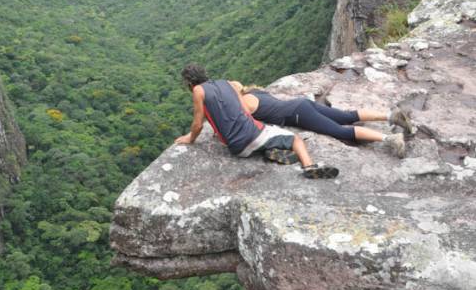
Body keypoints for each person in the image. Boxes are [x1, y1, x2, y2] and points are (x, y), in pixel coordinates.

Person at [175, 63, 339, 179]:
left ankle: (268, 150)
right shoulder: (227, 83)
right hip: (254, 135)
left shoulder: (198, 90)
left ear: (189, 83)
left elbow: (197, 124)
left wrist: (190, 138)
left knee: (258, 141)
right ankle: (308, 167)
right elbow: (246, 111)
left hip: (238, 148)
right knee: (296, 139)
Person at [236, 84, 411, 157]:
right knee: (346, 116)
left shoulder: (245, 103)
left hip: (298, 114)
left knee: (340, 131)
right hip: (302, 104)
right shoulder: (256, 92)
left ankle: (391, 139)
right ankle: (391, 116)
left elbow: (242, 121)